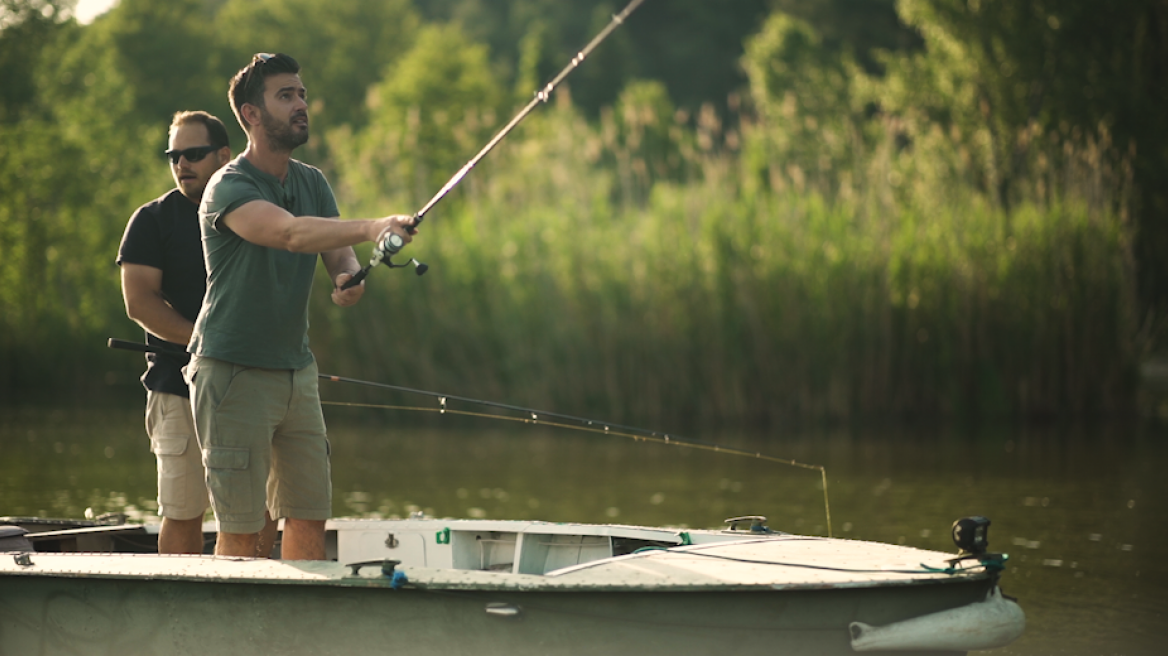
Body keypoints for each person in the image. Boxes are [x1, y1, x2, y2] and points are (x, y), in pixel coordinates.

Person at [187, 53, 417, 560]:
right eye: (285, 96)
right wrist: (372, 225)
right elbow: (290, 234)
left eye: (302, 94)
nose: (300, 105)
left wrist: (346, 277)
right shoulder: (228, 186)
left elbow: (334, 251)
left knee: (310, 517)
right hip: (231, 372)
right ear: (250, 114)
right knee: (243, 530)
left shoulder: (311, 181)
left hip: (296, 371)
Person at [116, 111, 229, 555]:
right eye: (174, 155)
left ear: (224, 155)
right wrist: (206, 343)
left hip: (250, 387)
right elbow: (139, 302)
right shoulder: (151, 220)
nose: (182, 164)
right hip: (175, 388)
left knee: (258, 510)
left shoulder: (253, 212)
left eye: (193, 154)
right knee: (183, 511)